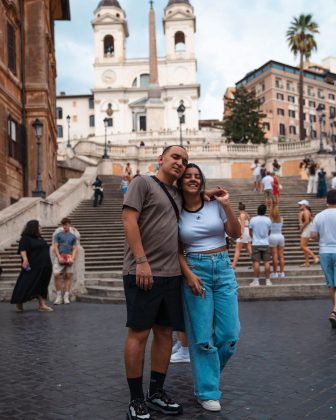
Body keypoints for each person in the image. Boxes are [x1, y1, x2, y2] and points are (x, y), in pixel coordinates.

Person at [122, 145, 188, 420]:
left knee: (164, 333)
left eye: (184, 160)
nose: (180, 163)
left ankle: (156, 393)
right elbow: (128, 219)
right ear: (159, 159)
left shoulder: (178, 193)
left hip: (171, 274)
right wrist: (141, 260)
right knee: (139, 334)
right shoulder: (142, 183)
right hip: (142, 271)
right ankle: (136, 399)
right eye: (175, 157)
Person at [177, 163, 241, 412]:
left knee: (229, 335)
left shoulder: (216, 204)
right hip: (195, 269)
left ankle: (207, 376)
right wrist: (189, 274)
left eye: (197, 176)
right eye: (188, 176)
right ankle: (207, 390)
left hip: (223, 267)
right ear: (181, 182)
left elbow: (235, 234)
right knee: (202, 337)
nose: (193, 179)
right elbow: (176, 249)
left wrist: (226, 204)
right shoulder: (175, 210)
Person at [10, 220, 53, 312]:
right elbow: (23, 249)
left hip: (45, 265)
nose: (40, 228)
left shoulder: (39, 238)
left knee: (42, 285)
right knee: (25, 283)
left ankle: (42, 305)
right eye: (39, 226)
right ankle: (19, 302)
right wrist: (25, 259)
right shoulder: (26, 238)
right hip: (33, 265)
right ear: (34, 227)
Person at [311, 190, 336, 328]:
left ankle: (335, 310)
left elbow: (314, 235)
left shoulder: (319, 216)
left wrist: (322, 238)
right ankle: (335, 311)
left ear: (327, 201)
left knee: (331, 284)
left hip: (325, 252)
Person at [53, 217, 78, 305]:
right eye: (64, 225)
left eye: (66, 225)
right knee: (56, 275)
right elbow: (55, 246)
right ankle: (59, 296)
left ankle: (66, 296)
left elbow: (75, 248)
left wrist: (72, 258)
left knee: (68, 276)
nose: (65, 226)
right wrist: (59, 257)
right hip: (60, 256)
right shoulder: (58, 235)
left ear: (69, 225)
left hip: (69, 256)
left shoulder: (73, 236)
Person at [249, 204, 272, 286]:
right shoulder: (268, 220)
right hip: (265, 243)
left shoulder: (253, 219)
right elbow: (269, 232)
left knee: (256, 262)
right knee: (267, 262)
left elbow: (250, 231)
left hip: (256, 243)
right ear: (265, 211)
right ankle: (268, 280)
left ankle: (256, 281)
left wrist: (254, 238)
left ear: (257, 210)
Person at [298, 200, 319, 267]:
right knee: (305, 246)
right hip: (308, 228)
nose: (299, 206)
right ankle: (307, 262)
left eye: (301, 205)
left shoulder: (306, 211)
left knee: (302, 246)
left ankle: (315, 256)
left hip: (307, 228)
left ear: (305, 205)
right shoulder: (305, 211)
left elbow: (307, 221)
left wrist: (302, 228)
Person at [232, 202, 252, 269]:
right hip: (247, 232)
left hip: (243, 232)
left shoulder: (242, 215)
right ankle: (255, 262)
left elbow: (242, 225)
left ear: (238, 208)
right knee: (249, 249)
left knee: (237, 249)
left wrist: (241, 234)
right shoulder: (246, 214)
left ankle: (233, 265)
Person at [269, 205, 285, 278]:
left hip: (273, 236)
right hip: (281, 236)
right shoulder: (281, 218)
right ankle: (282, 272)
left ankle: (275, 272)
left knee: (274, 255)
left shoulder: (270, 219)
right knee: (281, 256)